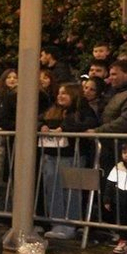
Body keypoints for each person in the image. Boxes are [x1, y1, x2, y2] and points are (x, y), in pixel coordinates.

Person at [38, 82, 97, 241]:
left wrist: (65, 128)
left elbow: (89, 125)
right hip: (51, 155)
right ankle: (56, 222)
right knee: (52, 188)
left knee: (71, 189)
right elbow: (38, 120)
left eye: (65, 93)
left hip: (73, 155)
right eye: (59, 93)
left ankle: (71, 224)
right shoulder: (53, 110)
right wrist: (42, 126)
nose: (60, 96)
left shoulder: (83, 111)